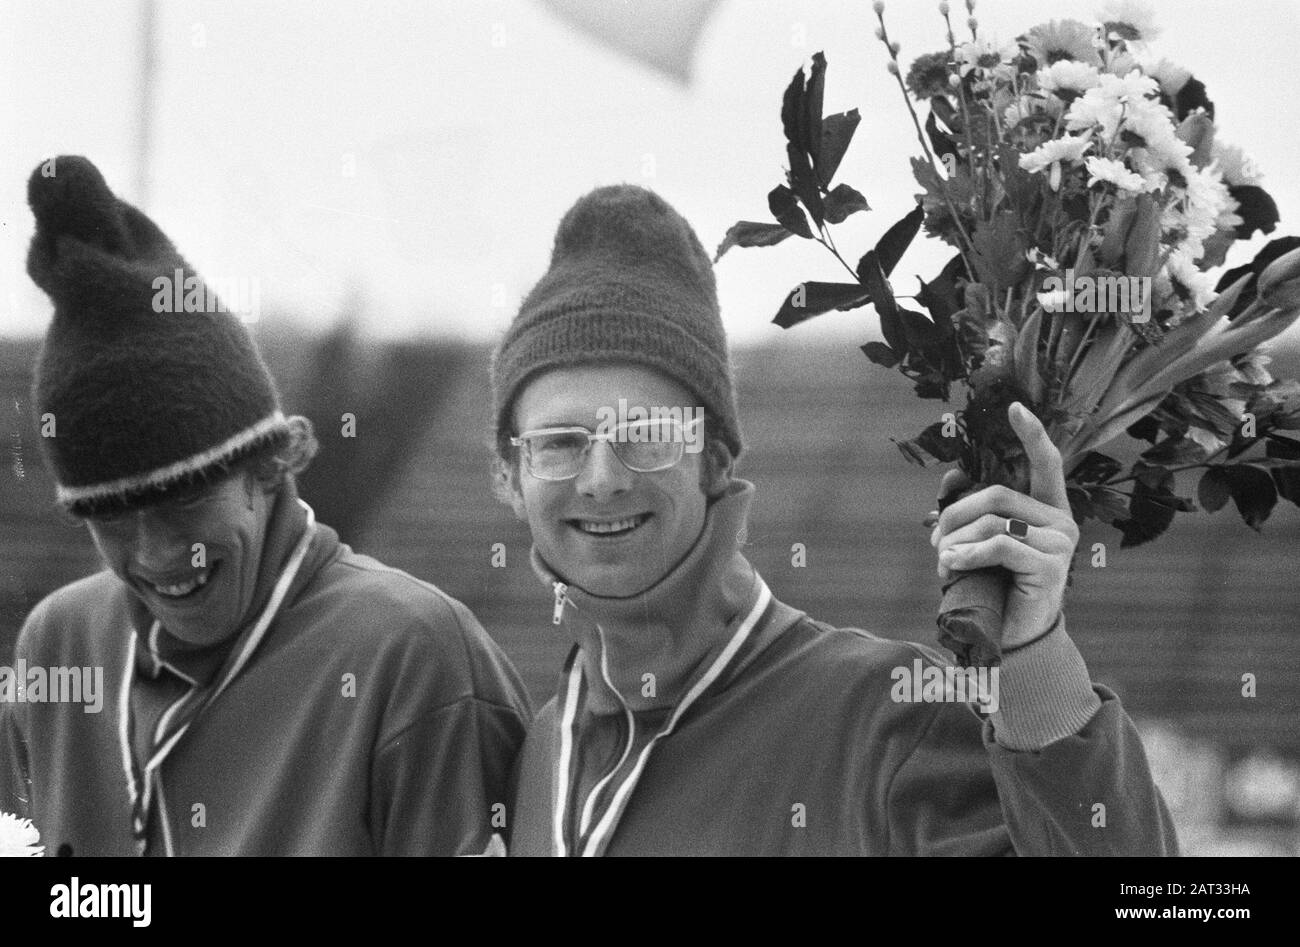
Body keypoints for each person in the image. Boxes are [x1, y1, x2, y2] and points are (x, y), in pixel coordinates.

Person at [489, 184, 1178, 856]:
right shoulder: (542, 756)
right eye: (560, 443)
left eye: (646, 432)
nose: (603, 477)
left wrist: (1034, 666)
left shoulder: (888, 722)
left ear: (714, 460)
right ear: (511, 475)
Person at [0, 156, 530, 856]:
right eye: (113, 516)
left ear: (269, 465)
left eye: (185, 498)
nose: (158, 553)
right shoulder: (61, 642)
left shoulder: (414, 655)